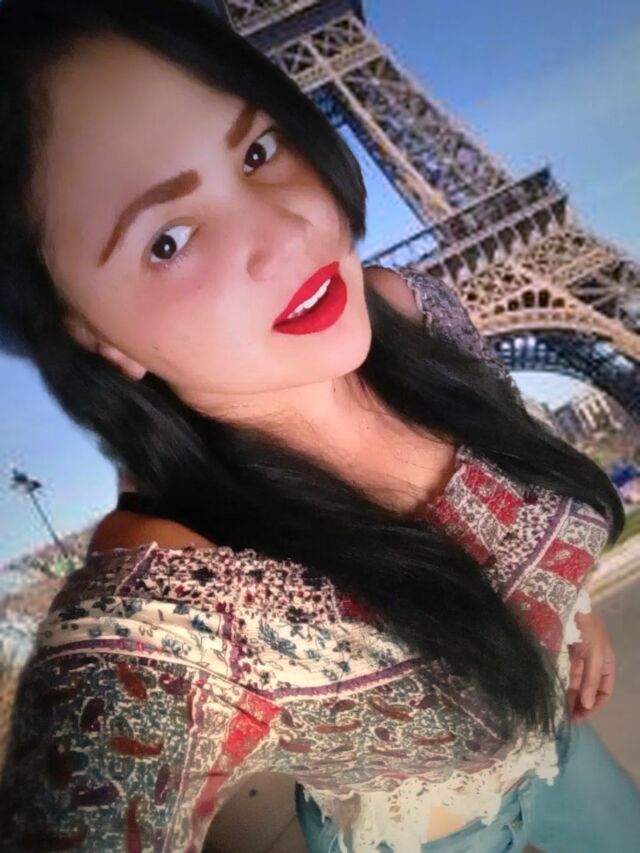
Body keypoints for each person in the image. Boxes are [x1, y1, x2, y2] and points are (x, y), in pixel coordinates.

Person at [0, 1, 638, 851]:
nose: (288, 230)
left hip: (565, 739)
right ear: (87, 331)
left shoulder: (418, 310)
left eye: (258, 150)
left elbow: (532, 474)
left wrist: (571, 610)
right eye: (168, 240)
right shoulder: (172, 584)